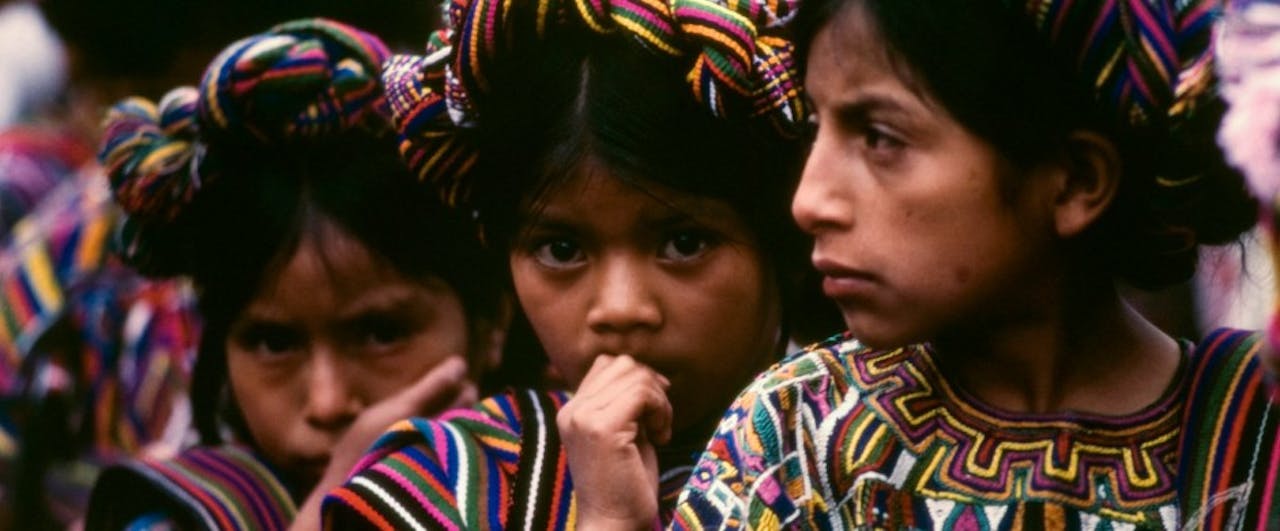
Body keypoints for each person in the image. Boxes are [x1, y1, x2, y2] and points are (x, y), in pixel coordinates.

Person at [664, 0, 1278, 528]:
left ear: (1074, 182)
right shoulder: (797, 433)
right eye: (816, 128)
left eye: (880, 137)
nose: (809, 201)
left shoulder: (1260, 435)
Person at [319, 0, 839, 527]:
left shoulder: (868, 458)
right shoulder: (442, 485)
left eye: (684, 243)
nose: (620, 309)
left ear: (786, 238)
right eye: (562, 250)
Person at [82, 18, 504, 529]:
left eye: (381, 333)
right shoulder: (175, 516)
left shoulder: (574, 483)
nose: (328, 404)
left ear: (492, 324)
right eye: (273, 343)